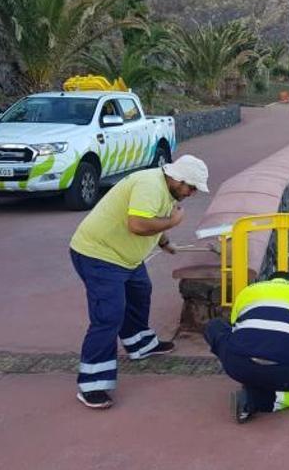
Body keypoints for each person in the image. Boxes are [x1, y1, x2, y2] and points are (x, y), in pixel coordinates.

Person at [70, 155, 210, 408]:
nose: (192, 193)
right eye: (191, 187)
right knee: (109, 315)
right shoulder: (150, 186)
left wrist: (165, 242)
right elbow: (137, 224)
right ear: (177, 178)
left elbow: (152, 219)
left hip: (127, 259)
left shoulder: (168, 192)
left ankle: (140, 343)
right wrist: (174, 221)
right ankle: (92, 384)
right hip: (98, 255)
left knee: (140, 291)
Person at [204, 271, 289, 424]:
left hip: (239, 364)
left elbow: (235, 326)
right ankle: (257, 400)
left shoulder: (250, 289)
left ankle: (241, 368)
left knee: (215, 325)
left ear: (270, 281)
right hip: (284, 367)